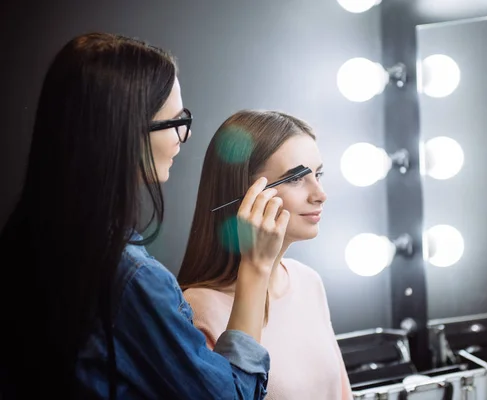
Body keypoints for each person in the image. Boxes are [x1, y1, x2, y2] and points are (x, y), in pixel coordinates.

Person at [0, 32, 287, 400]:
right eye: (176, 122)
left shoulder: (22, 243)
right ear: (127, 132)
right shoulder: (132, 277)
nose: (183, 138)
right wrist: (255, 268)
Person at [178, 110, 353, 399]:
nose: (320, 194)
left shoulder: (308, 282)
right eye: (296, 179)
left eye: (318, 174)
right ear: (244, 194)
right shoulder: (198, 308)